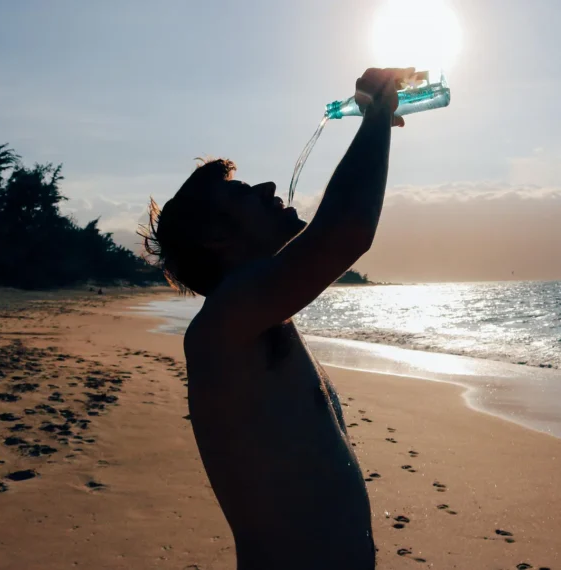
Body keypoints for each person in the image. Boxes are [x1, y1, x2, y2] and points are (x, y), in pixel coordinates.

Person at [141, 68, 407, 569]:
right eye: (242, 193)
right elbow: (346, 231)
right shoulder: (222, 326)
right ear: (217, 239)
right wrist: (374, 113)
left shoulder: (264, 321)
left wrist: (376, 122)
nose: (266, 185)